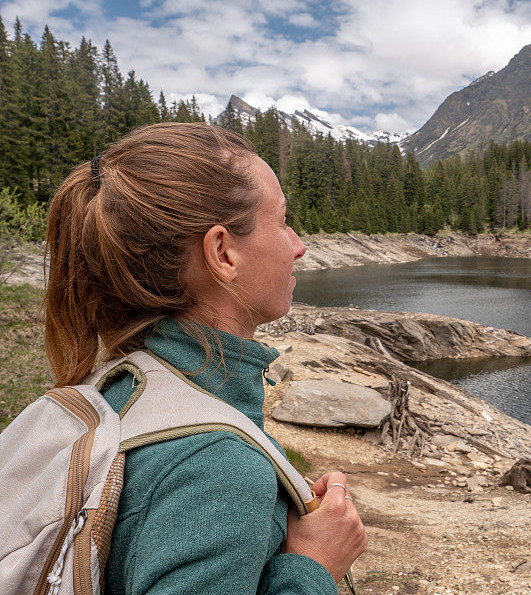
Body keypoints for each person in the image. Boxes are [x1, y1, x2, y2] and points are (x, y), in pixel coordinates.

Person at [43, 122, 368, 594]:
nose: (299, 246)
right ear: (222, 253)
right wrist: (312, 566)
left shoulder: (117, 383)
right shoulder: (219, 469)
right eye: (281, 221)